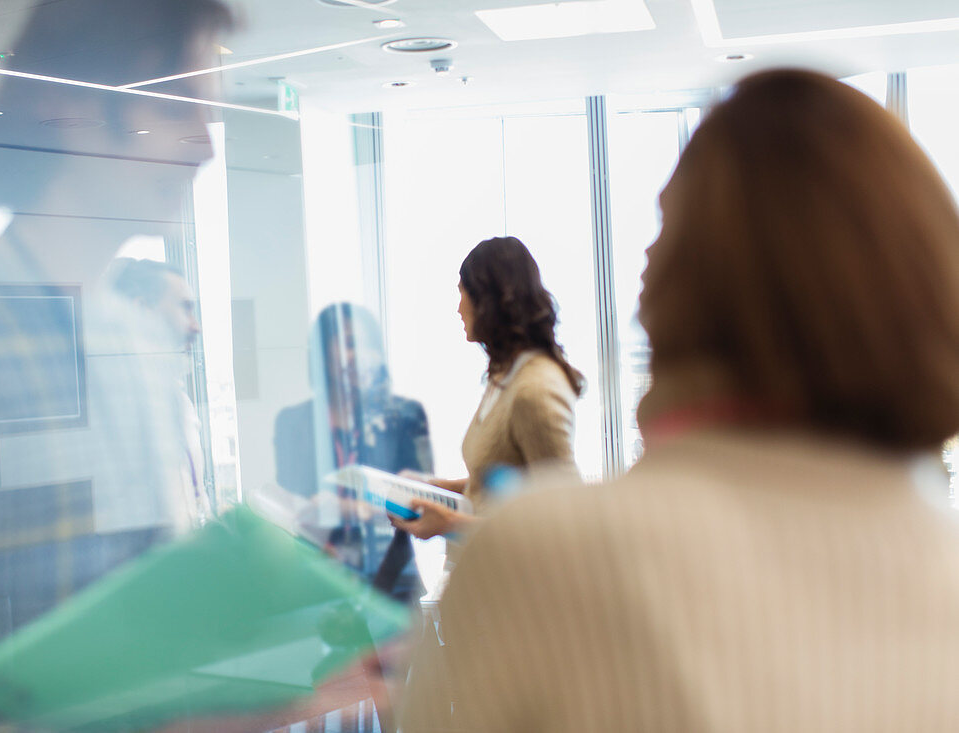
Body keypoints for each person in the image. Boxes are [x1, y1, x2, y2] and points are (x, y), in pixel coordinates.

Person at [398, 69, 959, 732]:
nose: (644, 255)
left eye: (665, 224)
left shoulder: (544, 560)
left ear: (687, 278)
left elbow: (546, 489)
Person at [0, 1, 234, 728]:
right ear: (68, 108)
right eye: (181, 107)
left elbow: (144, 621)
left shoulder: (139, 348)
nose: (204, 148)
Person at [391, 236, 584, 541]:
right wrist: (433, 487)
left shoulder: (534, 389)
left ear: (486, 300)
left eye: (462, 294)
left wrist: (450, 523)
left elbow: (565, 518)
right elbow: (500, 483)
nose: (458, 308)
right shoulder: (505, 379)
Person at [274, 302, 433, 602]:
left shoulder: (405, 416)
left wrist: (349, 508)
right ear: (322, 352)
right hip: (320, 588)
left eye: (365, 345)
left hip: (392, 586)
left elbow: (421, 505)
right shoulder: (292, 423)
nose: (357, 356)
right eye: (347, 344)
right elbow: (291, 510)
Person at [108, 258, 213, 528]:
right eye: (185, 308)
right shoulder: (109, 407)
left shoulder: (177, 401)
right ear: (142, 311)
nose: (196, 326)